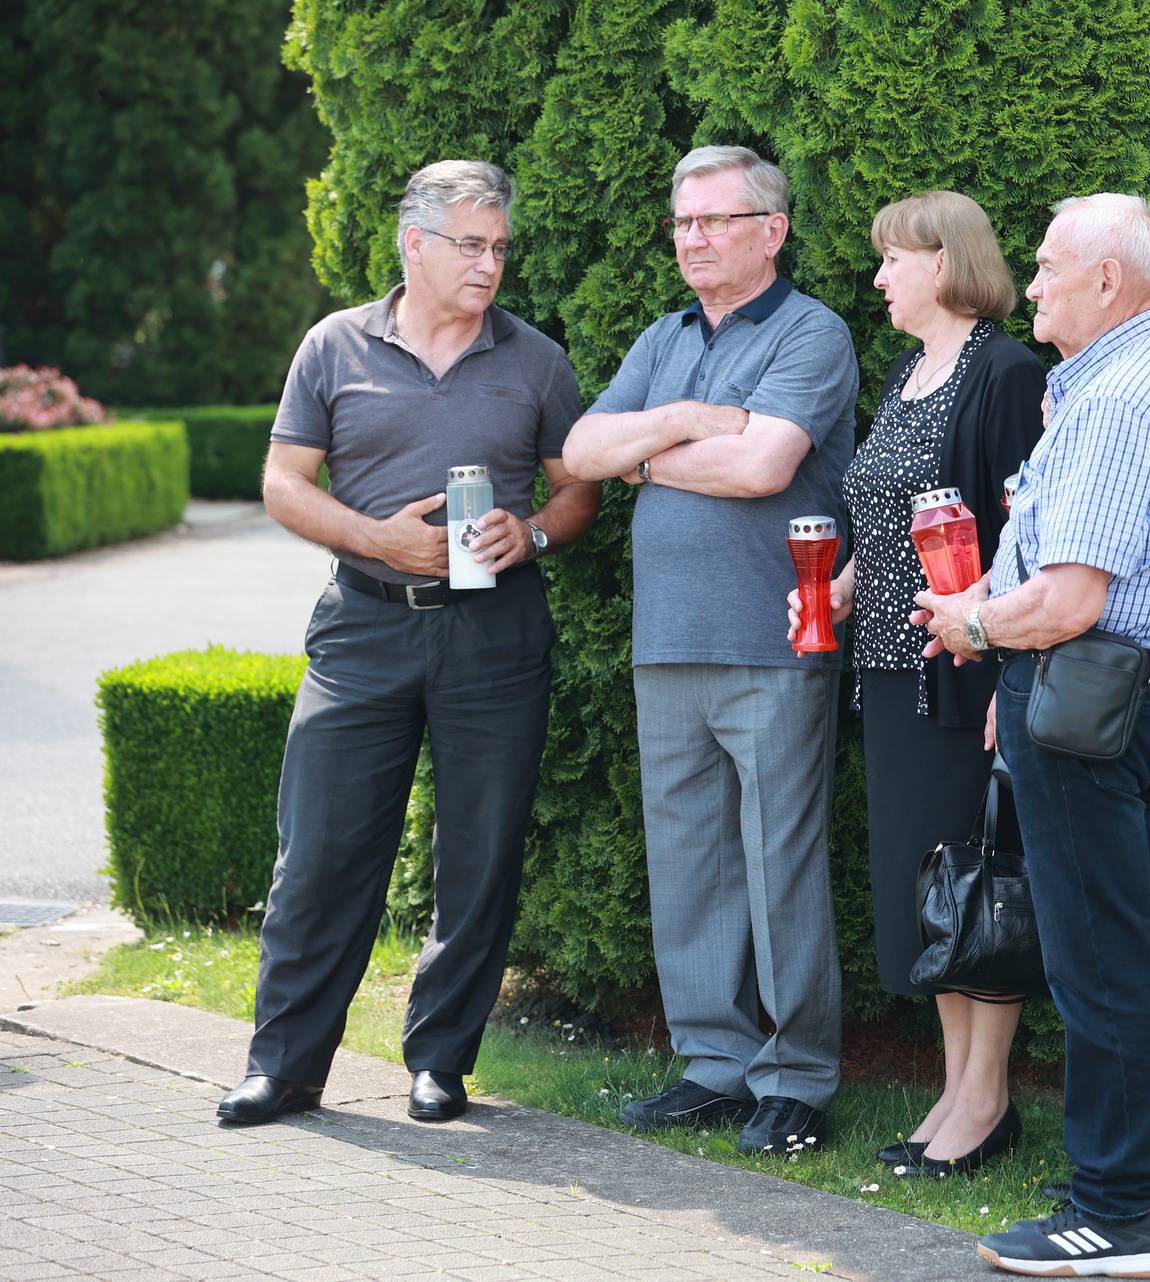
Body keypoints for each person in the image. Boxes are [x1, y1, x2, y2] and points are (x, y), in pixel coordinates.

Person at [218, 160, 600, 1126]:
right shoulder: (333, 345)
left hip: (496, 635)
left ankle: (440, 1062)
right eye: (470, 244)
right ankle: (287, 1066)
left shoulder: (536, 360)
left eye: (500, 247)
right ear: (414, 244)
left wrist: (538, 532)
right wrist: (374, 536)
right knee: (320, 854)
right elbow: (283, 482)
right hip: (363, 626)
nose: (489, 264)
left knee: (479, 858)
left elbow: (579, 488)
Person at [917, 193, 1150, 1279]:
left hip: (1090, 697)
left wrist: (971, 622)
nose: (1033, 284)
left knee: (1103, 962)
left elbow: (1067, 601)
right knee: (1124, 950)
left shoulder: (1124, 400)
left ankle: (1118, 1213)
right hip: (1136, 696)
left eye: (1051, 266)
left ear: (1111, 280)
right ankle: (1123, 1193)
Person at [562, 145, 858, 1154]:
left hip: (774, 638)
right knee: (689, 858)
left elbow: (766, 465)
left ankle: (797, 1077)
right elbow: (582, 453)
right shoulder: (663, 338)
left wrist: (650, 453)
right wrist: (689, 420)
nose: (692, 238)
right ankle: (714, 1063)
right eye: (682, 222)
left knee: (780, 861)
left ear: (770, 231)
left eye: (714, 221)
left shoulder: (811, 332)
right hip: (668, 642)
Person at [787, 191, 1044, 1177]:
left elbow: (1028, 536)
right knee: (929, 890)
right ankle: (956, 1088)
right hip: (892, 675)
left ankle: (986, 1099)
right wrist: (838, 591)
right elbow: (888, 523)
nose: (880, 277)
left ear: (944, 262)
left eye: (894, 260)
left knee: (977, 879)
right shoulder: (903, 374)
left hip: (971, 671)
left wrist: (1006, 680)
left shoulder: (1007, 374)